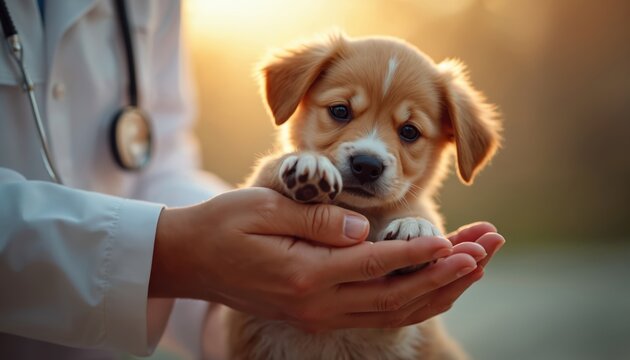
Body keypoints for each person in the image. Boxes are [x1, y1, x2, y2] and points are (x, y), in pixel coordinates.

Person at [0, 1, 505, 359]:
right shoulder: (287, 175)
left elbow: (159, 164)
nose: (371, 152)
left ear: (450, 142)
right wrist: (182, 257)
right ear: (295, 102)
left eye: (409, 131)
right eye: (341, 111)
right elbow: (263, 191)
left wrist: (226, 307)